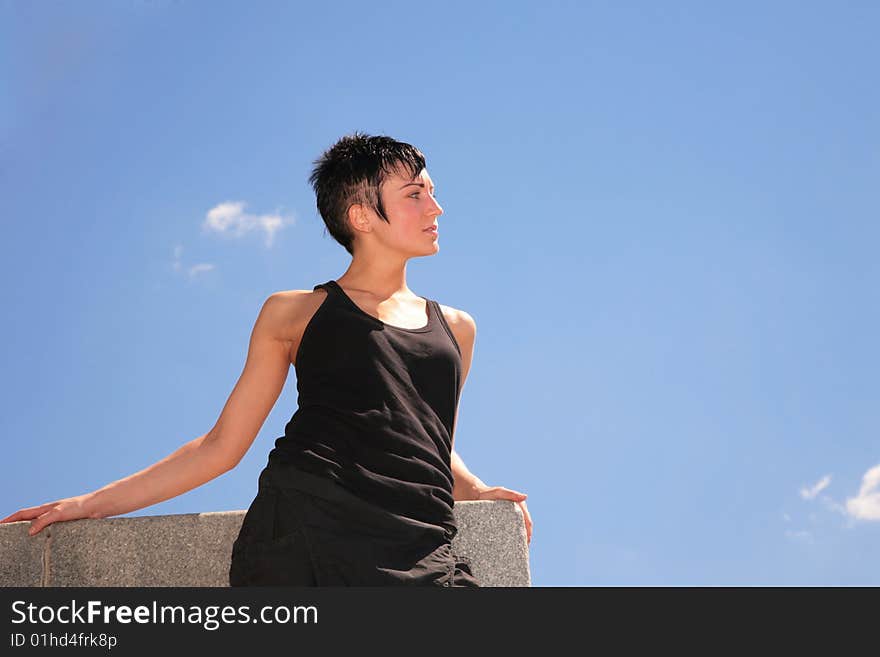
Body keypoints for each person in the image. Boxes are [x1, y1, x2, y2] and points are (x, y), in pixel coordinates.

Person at [1, 132, 533, 586]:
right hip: (306, 536)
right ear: (361, 216)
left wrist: (478, 489)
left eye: (432, 194)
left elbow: (431, 439)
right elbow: (220, 447)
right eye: (415, 195)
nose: (435, 208)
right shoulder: (293, 314)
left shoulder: (457, 329)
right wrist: (88, 503)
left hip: (422, 547)